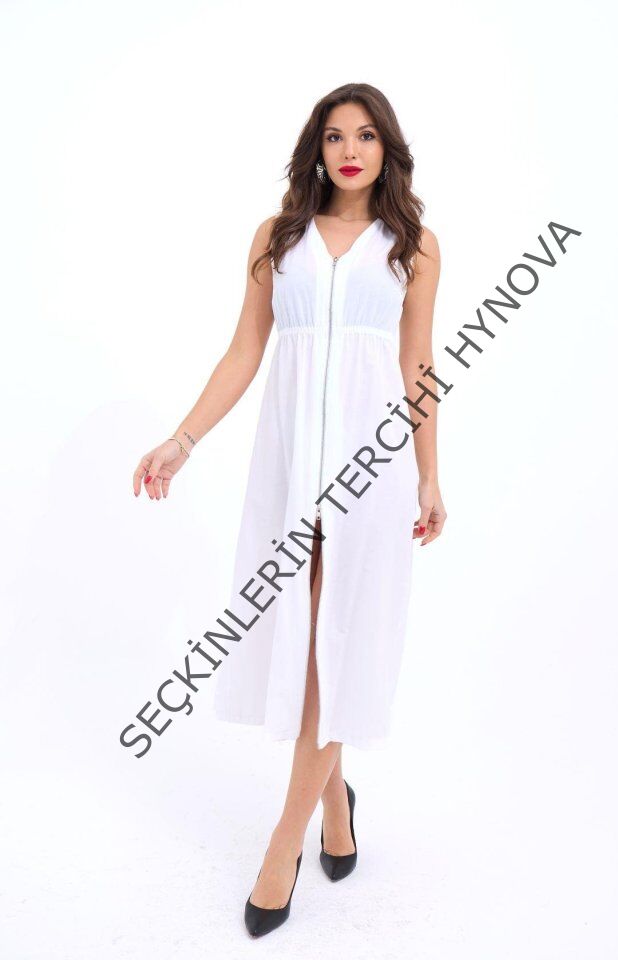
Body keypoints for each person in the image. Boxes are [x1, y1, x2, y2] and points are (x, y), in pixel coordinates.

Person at [132, 82, 445, 938]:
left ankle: (285, 841)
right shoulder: (279, 238)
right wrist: (182, 440)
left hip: (371, 468)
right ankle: (336, 801)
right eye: (335, 136)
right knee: (307, 641)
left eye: (367, 136)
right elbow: (245, 349)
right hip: (290, 464)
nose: (351, 150)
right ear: (317, 149)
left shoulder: (414, 247)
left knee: (335, 640)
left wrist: (429, 475)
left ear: (387, 149)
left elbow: (418, 365)